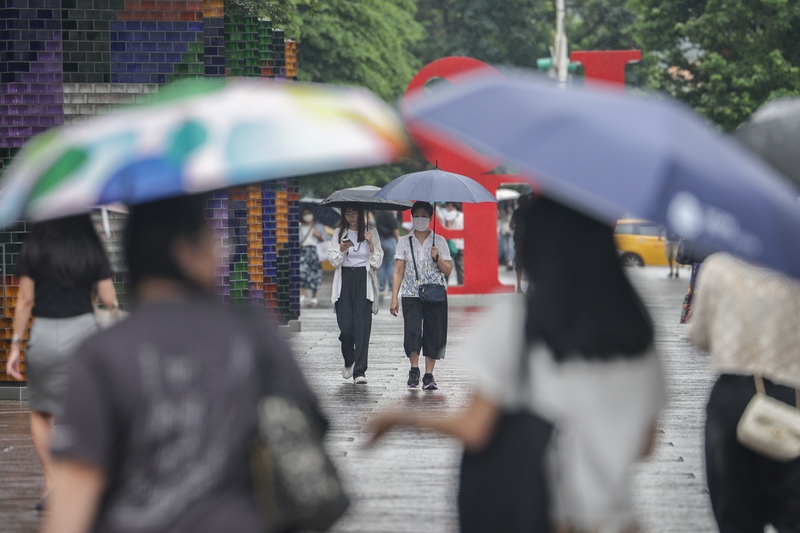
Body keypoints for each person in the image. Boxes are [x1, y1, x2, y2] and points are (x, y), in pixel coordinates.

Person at [372, 197, 666, 532]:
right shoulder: (637, 329)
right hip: (618, 520)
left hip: (545, 516)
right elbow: (645, 444)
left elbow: (475, 427)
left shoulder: (516, 320)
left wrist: (401, 416)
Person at [43, 195, 322, 533]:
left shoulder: (101, 353)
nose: (222, 251)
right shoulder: (255, 333)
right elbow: (309, 426)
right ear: (185, 252)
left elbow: (74, 493)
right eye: (212, 239)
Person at [4, 215, 118, 511]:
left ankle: (52, 482)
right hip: (82, 332)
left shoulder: (35, 242)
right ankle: (85, 484)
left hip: (43, 331)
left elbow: (26, 300)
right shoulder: (88, 240)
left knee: (42, 411)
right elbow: (108, 298)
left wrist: (15, 345)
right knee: (85, 407)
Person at [689, 253, 800, 532]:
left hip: (733, 400)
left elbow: (699, 337)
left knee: (736, 517)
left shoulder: (719, 268)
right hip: (792, 398)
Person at [390, 201, 453, 390]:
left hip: (435, 293)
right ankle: (414, 369)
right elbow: (398, 271)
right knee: (412, 331)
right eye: (417, 215)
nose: (420, 219)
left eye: (424, 216)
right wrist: (394, 297)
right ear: (412, 217)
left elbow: (448, 270)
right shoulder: (404, 241)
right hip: (410, 293)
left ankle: (429, 374)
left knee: (434, 332)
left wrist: (438, 258)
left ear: (430, 218)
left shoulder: (440, 242)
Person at [328, 204, 383, 384]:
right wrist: (342, 249)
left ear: (361, 213)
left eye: (354, 213)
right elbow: (333, 261)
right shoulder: (338, 233)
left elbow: (377, 262)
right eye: (348, 213)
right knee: (346, 329)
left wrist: (371, 244)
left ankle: (360, 371)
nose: (351, 216)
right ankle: (349, 360)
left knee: (362, 327)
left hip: (363, 279)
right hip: (345, 280)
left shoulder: (371, 231)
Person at [299, 207, 328, 307]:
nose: (307, 216)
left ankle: (314, 297)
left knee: (315, 273)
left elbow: (325, 239)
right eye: (305, 213)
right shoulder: (301, 227)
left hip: (315, 251)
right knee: (302, 272)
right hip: (304, 251)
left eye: (309, 213)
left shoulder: (318, 226)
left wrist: (319, 235)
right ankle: (303, 294)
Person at [375, 209, 400, 294]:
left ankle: (381, 286)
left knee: (382, 265)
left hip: (381, 240)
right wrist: (398, 238)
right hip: (390, 239)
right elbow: (394, 228)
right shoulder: (390, 214)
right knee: (391, 264)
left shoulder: (379, 214)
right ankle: (391, 285)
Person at [510, 193, 531, 293]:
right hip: (531, 239)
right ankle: (530, 286)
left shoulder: (517, 212)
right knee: (531, 261)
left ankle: (519, 286)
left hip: (519, 240)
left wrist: (516, 227)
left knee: (519, 263)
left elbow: (511, 225)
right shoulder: (532, 211)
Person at [442, 202, 464, 285]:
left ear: (450, 205)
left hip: (451, 245)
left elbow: (448, 230)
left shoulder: (448, 215)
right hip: (461, 244)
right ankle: (461, 284)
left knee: (447, 267)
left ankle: (445, 285)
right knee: (460, 267)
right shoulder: (462, 215)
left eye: (447, 205)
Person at [499, 203, 515, 270]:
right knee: (505, 248)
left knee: (510, 247)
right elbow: (501, 222)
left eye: (510, 208)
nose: (509, 209)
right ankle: (507, 261)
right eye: (508, 208)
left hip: (511, 233)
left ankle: (510, 261)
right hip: (504, 233)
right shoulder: (504, 215)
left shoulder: (513, 215)